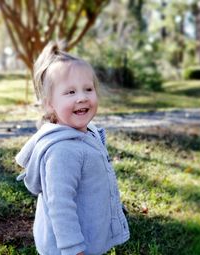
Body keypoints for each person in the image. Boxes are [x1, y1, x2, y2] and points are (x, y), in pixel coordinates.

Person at [15, 41, 130, 255]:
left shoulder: (87, 132)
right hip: (69, 247)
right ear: (50, 103)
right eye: (70, 92)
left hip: (87, 234)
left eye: (88, 89)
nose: (82, 97)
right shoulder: (62, 151)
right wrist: (73, 249)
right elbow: (60, 207)